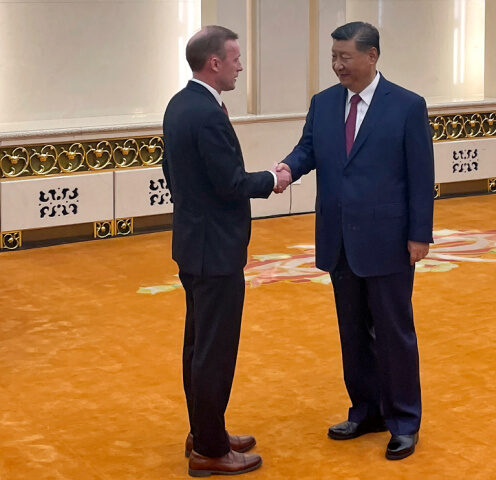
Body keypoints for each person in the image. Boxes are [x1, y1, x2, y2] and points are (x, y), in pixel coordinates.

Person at [276, 21, 434, 460]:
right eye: (333, 57)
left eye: (345, 57)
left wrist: (419, 235)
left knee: (394, 334)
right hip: (338, 239)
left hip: (389, 241)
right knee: (352, 334)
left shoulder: (406, 105)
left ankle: (404, 420)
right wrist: (287, 169)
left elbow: (421, 176)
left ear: (372, 56)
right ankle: (366, 411)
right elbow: (307, 149)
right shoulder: (324, 103)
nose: (337, 65)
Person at [162, 25, 290, 477]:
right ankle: (211, 451)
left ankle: (204, 431)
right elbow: (231, 182)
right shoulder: (207, 114)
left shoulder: (180, 105)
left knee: (197, 345)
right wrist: (272, 180)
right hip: (215, 251)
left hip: (192, 244)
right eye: (235, 58)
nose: (240, 65)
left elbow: (172, 175)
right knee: (215, 350)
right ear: (214, 63)